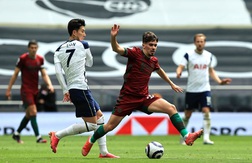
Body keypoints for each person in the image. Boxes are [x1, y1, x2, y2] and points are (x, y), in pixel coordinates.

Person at [81, 24, 204, 157]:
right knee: (109, 126)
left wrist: (171, 84)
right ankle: (90, 140)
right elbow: (116, 48)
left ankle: (187, 137)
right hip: (127, 98)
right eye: (151, 45)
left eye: (155, 45)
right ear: (143, 44)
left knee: (171, 108)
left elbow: (159, 70)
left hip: (143, 98)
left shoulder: (153, 60)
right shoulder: (135, 53)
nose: (153, 48)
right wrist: (113, 37)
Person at [48, 18, 119, 158]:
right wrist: (84, 52)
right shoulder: (83, 44)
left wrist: (65, 90)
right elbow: (91, 63)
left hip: (75, 88)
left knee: (99, 117)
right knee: (93, 125)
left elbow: (58, 72)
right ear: (74, 32)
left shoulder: (58, 50)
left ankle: (103, 152)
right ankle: (58, 135)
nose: (84, 34)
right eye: (82, 31)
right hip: (81, 88)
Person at [176, 33, 232, 145]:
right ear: (194, 42)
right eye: (198, 41)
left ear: (204, 43)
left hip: (204, 89)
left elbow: (211, 71)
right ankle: (184, 136)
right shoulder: (188, 55)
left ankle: (206, 138)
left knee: (206, 111)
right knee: (187, 114)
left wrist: (220, 81)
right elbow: (181, 66)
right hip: (192, 89)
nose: (200, 43)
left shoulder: (208, 55)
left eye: (202, 41)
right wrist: (179, 72)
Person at [6, 40, 54, 144]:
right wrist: (9, 89)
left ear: (37, 48)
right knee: (33, 112)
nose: (33, 49)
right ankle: (38, 137)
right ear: (28, 48)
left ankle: (16, 134)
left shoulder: (40, 59)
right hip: (26, 90)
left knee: (29, 115)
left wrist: (50, 84)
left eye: (35, 48)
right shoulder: (23, 59)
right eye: (31, 48)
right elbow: (15, 74)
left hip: (35, 90)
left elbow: (44, 74)